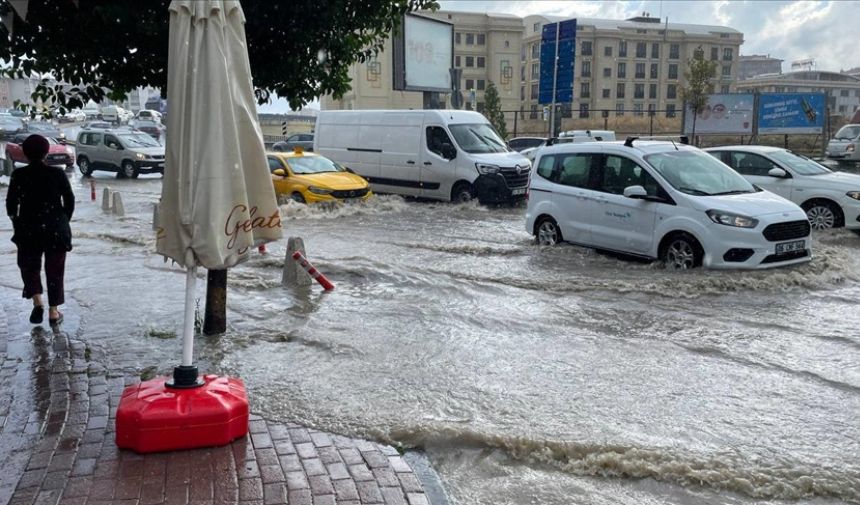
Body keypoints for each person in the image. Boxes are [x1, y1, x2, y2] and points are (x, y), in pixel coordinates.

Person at [5, 134, 75, 325]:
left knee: (29, 267)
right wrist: (62, 220)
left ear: (25, 154)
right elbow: (69, 201)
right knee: (55, 270)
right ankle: (53, 312)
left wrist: (16, 222)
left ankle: (37, 302)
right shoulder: (57, 174)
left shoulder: (19, 175)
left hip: (28, 229)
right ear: (46, 152)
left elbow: (11, 204)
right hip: (55, 229)